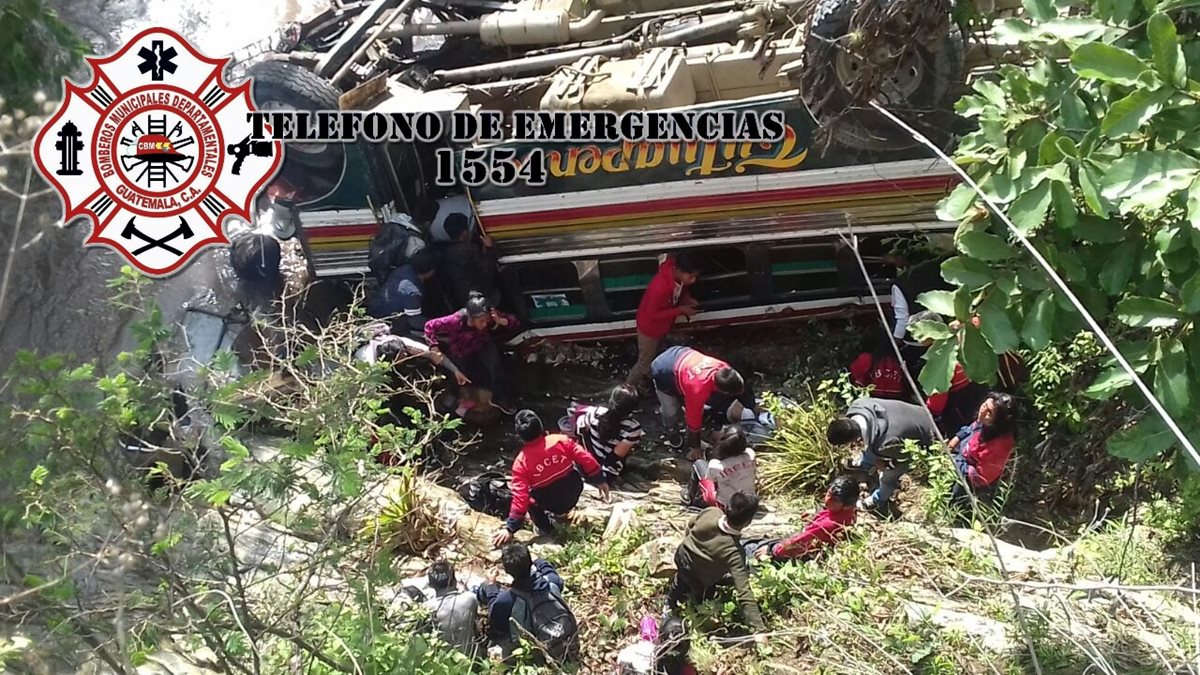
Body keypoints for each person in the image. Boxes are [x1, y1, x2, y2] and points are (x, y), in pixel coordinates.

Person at [493, 410, 610, 547]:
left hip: (551, 503)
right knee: (574, 465)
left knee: (529, 499)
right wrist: (600, 480)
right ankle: (563, 514)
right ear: (541, 427)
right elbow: (586, 459)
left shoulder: (521, 463)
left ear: (520, 436)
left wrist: (510, 528)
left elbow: (520, 498)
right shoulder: (561, 440)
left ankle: (546, 529)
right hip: (573, 492)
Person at [666, 491, 766, 637]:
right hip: (700, 579)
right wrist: (759, 629)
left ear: (726, 507)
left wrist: (692, 545)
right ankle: (694, 609)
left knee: (681, 580)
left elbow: (690, 524)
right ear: (748, 522)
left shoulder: (711, 512)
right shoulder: (734, 553)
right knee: (704, 596)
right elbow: (744, 592)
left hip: (682, 558)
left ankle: (670, 603)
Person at [827, 397, 938, 515]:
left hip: (932, 433)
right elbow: (872, 438)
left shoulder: (885, 444)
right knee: (873, 448)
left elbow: (906, 459)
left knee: (889, 476)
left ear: (853, 440)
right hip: (919, 412)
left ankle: (878, 499)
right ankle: (866, 463)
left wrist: (886, 465)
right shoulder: (859, 405)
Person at [475, 543, 577, 661]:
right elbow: (550, 571)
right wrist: (538, 560)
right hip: (565, 638)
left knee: (497, 638)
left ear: (507, 571)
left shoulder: (507, 600)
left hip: (534, 653)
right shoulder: (550, 583)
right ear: (530, 563)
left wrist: (491, 586)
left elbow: (496, 621)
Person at [424, 291, 520, 412]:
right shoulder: (455, 320)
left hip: (482, 345)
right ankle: (453, 394)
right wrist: (434, 347)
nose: (485, 324)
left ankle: (499, 396)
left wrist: (501, 321)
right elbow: (429, 326)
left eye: (487, 321)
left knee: (496, 368)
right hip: (460, 350)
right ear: (471, 318)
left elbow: (515, 322)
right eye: (481, 322)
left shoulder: (490, 315)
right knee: (457, 374)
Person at [651, 345, 746, 460]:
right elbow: (693, 421)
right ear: (721, 390)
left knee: (701, 403)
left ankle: (710, 423)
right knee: (670, 409)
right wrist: (695, 447)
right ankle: (671, 430)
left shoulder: (724, 369)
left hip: (681, 355)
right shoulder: (698, 390)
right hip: (663, 371)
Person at [625, 252, 702, 390]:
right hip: (650, 329)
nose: (693, 280)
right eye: (691, 276)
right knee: (643, 363)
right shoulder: (659, 287)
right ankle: (626, 390)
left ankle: (648, 382)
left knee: (656, 356)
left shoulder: (679, 278)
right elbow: (653, 315)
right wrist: (681, 310)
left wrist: (687, 299)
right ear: (679, 271)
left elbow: (680, 292)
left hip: (662, 327)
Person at [745, 476, 859, 564]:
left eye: (834, 500)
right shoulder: (851, 511)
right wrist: (816, 514)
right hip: (813, 546)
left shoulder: (826, 525)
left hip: (798, 554)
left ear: (846, 505)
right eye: (829, 493)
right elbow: (830, 512)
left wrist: (771, 551)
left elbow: (797, 542)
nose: (828, 500)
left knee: (749, 549)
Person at [948, 393, 1017, 522]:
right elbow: (970, 428)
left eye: (989, 412)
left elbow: (979, 477)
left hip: (970, 477)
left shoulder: (999, 446)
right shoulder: (985, 422)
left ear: (999, 421)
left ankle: (954, 519)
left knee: (956, 499)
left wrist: (954, 461)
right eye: (984, 405)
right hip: (962, 458)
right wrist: (956, 439)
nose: (982, 411)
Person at [571, 385, 645, 483]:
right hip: (606, 475)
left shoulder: (595, 413)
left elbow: (579, 432)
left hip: (585, 467)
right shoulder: (633, 428)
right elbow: (615, 457)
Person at [368, 246, 437, 337]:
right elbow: (415, 321)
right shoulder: (412, 293)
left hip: (375, 310)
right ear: (431, 271)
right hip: (387, 321)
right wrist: (437, 323)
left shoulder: (402, 270)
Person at [685, 425, 757, 510]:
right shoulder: (751, 454)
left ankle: (690, 496)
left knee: (698, 464)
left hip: (724, 505)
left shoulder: (716, 465)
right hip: (747, 502)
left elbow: (709, 480)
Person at [438, 212, 501, 309]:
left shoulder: (444, 252)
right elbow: (489, 271)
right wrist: (489, 248)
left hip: (462, 299)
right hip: (484, 297)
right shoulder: (471, 249)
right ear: (464, 232)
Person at [424, 561, 480, 659]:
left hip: (442, 662)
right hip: (471, 658)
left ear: (431, 585)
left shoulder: (427, 608)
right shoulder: (470, 599)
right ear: (454, 580)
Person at [848, 325, 909, 400]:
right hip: (897, 397)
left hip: (875, 396)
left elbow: (855, 373)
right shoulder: (897, 357)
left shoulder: (867, 357)